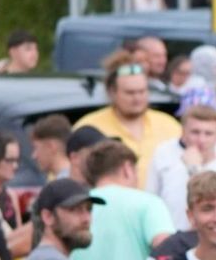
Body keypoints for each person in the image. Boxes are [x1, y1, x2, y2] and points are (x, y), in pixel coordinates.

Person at [73, 54, 182, 188]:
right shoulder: (89, 126)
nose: (137, 98)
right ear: (112, 92)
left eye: (142, 92)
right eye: (130, 93)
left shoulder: (169, 125)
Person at [145, 105, 216, 229]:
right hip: (170, 237)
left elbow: (214, 203)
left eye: (208, 133)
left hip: (210, 239)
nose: (201, 139)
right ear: (183, 132)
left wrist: (194, 169)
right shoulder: (163, 153)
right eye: (195, 132)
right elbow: (151, 199)